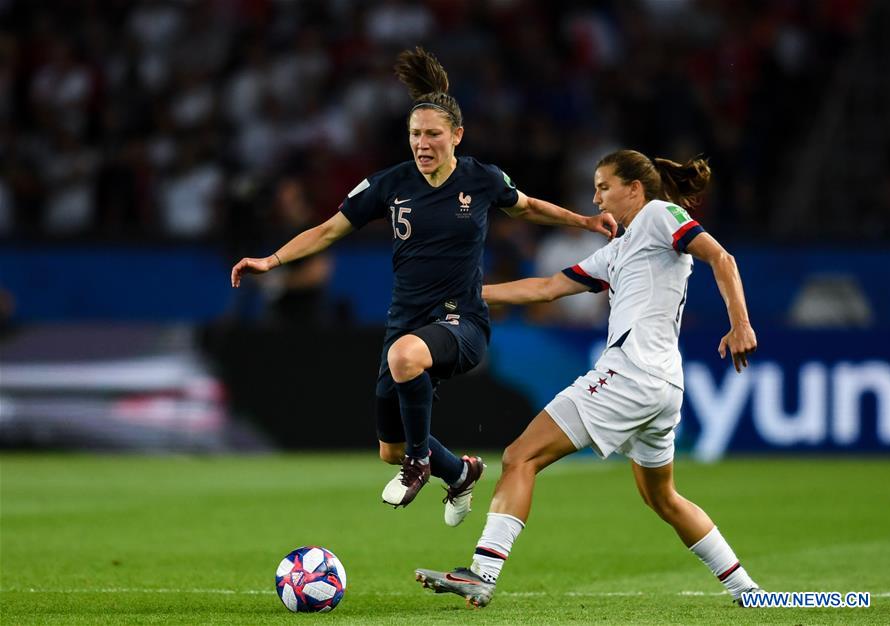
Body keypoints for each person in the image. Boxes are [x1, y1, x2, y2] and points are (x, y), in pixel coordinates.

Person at [230, 48, 616, 527]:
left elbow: (529, 207)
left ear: (457, 135)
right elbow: (328, 230)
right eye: (415, 134)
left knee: (405, 361)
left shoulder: (481, 179)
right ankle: (459, 472)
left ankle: (419, 465)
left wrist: (584, 221)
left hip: (462, 320)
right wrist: (271, 259)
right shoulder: (389, 184)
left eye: (433, 134)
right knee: (389, 448)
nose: (422, 143)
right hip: (406, 321)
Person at [415, 149, 764, 606]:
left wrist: (741, 324)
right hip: (662, 387)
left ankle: (482, 573)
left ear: (634, 189)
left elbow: (723, 258)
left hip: (630, 374)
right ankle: (747, 590)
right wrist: (464, 296)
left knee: (520, 457)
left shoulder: (660, 215)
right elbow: (545, 288)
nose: (596, 198)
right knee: (663, 499)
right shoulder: (618, 250)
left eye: (604, 187)